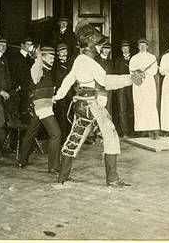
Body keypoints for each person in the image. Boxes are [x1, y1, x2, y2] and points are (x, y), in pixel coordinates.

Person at [51, 21, 133, 188]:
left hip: (80, 106)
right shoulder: (90, 62)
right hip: (92, 106)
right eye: (98, 45)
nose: (100, 48)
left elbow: (68, 80)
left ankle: (63, 177)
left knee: (74, 138)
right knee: (111, 137)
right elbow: (105, 81)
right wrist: (130, 78)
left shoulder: (79, 60)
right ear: (90, 44)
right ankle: (113, 179)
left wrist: (57, 96)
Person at [18, 47, 61, 174]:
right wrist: (38, 56)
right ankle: (53, 167)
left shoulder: (46, 69)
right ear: (44, 57)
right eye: (51, 57)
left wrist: (51, 98)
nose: (53, 60)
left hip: (43, 105)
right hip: (42, 107)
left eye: (53, 57)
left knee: (31, 132)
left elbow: (42, 88)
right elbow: (36, 77)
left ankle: (22, 160)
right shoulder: (37, 68)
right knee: (56, 134)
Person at [129, 38, 160, 139]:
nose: (142, 47)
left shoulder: (152, 57)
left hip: (149, 83)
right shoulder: (134, 58)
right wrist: (138, 72)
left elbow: (154, 70)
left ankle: (153, 129)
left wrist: (145, 73)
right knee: (139, 105)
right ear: (138, 47)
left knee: (150, 105)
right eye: (140, 45)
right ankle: (142, 129)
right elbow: (131, 70)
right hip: (138, 84)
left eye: (144, 45)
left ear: (147, 46)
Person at [9, 37, 35, 122]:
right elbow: (11, 73)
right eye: (27, 44)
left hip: (28, 87)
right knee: (22, 111)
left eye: (31, 45)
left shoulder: (30, 58)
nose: (29, 47)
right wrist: (16, 86)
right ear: (22, 45)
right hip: (20, 89)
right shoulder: (15, 58)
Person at [112, 40, 134, 138]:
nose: (125, 50)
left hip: (132, 87)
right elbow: (115, 74)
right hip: (121, 88)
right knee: (122, 110)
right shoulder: (118, 60)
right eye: (123, 48)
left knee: (132, 108)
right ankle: (125, 132)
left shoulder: (134, 59)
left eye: (127, 48)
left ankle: (134, 131)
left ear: (129, 49)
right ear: (121, 49)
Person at [52, 43, 73, 143]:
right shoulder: (54, 65)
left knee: (71, 115)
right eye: (62, 51)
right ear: (57, 53)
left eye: (65, 51)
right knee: (61, 116)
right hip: (60, 95)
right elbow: (52, 79)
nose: (64, 53)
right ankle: (63, 139)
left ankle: (71, 138)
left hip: (71, 94)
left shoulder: (71, 63)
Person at [94, 40, 115, 119]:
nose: (106, 50)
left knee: (108, 108)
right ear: (101, 49)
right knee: (98, 108)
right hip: (98, 87)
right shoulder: (96, 60)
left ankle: (107, 126)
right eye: (105, 48)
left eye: (108, 48)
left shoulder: (110, 62)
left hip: (108, 88)